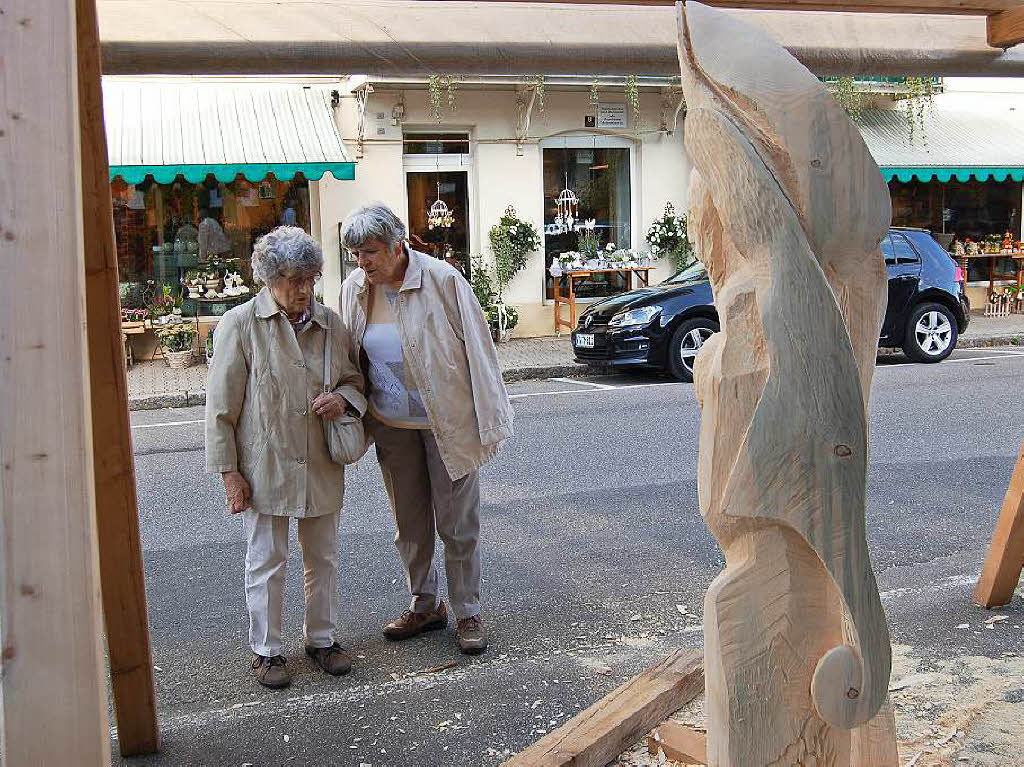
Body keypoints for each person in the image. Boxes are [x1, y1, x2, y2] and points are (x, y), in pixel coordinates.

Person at [339, 203, 513, 655]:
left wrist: (489, 422)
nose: (363, 263)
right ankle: (425, 603)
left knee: (457, 524)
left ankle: (468, 610)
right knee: (410, 525)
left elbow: (480, 355)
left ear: (399, 244)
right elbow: (348, 360)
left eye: (371, 252)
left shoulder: (443, 281)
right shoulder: (354, 290)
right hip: (392, 427)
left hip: (447, 424)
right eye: (356, 254)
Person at [205, 226, 366, 689]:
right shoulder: (240, 325)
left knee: (324, 557)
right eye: (293, 279)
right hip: (266, 464)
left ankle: (322, 639)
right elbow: (221, 408)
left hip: (319, 463)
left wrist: (343, 401)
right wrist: (229, 473)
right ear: (269, 279)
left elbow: (356, 383)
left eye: (310, 278)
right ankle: (267, 651)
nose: (303, 291)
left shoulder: (331, 324)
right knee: (266, 559)